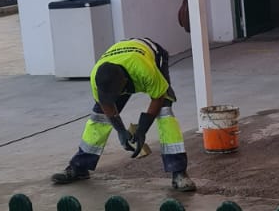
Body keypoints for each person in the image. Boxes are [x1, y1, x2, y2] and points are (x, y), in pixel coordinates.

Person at [53, 37, 196, 192]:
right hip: (121, 60)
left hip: (151, 54)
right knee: (99, 117)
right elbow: (105, 104)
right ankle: (79, 166)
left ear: (124, 83)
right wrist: (120, 130)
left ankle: (179, 172)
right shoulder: (96, 77)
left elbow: (158, 97)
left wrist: (142, 130)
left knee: (165, 113)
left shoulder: (145, 71)